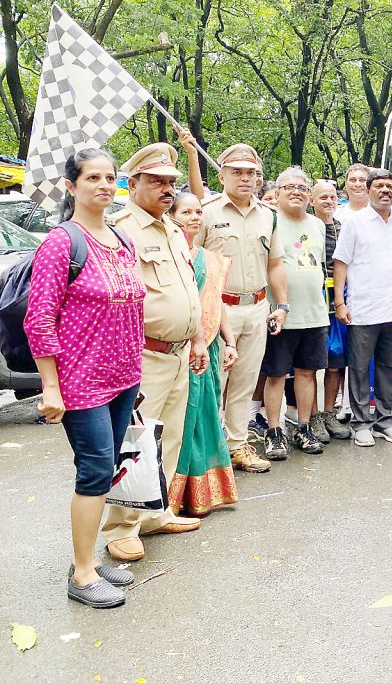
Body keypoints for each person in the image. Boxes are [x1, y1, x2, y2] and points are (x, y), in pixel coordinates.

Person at [25, 148, 145, 608]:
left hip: (123, 377)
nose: (103, 185)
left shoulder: (122, 239)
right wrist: (50, 386)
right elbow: (39, 320)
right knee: (94, 470)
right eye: (93, 177)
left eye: (110, 177)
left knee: (106, 468)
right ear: (72, 186)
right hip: (82, 382)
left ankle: (90, 559)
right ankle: (82, 574)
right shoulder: (61, 243)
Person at [102, 142, 207, 562]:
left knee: (170, 437)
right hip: (142, 355)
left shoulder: (172, 229)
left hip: (179, 353)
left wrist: (198, 338)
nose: (166, 189)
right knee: (135, 442)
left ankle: (153, 513)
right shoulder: (120, 230)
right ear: (133, 184)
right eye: (157, 181)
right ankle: (122, 527)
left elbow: (187, 290)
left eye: (170, 182)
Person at [194, 144, 287, 473]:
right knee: (214, 383)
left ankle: (237, 445)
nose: (246, 178)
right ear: (222, 176)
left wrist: (282, 304)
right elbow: (191, 262)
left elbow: (275, 263)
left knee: (245, 383)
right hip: (219, 309)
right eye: (237, 172)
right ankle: (209, 452)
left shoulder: (268, 214)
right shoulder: (206, 212)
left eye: (251, 172)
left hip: (257, 307)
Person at [166, 191, 240, 517]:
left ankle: (204, 494)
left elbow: (215, 303)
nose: (194, 217)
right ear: (171, 216)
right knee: (182, 420)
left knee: (206, 415)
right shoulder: (169, 255)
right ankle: (171, 496)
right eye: (186, 212)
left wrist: (230, 342)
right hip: (178, 348)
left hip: (207, 346)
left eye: (198, 212)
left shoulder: (209, 259)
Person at [333, 169, 392, 446]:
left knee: (388, 367)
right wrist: (340, 302)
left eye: (389, 186)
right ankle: (361, 423)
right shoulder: (355, 223)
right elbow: (341, 263)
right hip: (363, 308)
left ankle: (385, 421)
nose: (385, 190)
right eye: (379, 186)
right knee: (358, 369)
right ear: (368, 190)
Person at [257, 167, 330, 459]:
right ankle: (274, 431)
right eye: (289, 187)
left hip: (314, 312)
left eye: (302, 187)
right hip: (280, 313)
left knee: (307, 372)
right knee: (276, 374)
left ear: (309, 195)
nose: (296, 192)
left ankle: (303, 427)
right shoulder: (269, 220)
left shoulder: (318, 224)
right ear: (278, 193)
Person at [311, 179, 350, 441]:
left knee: (335, 361)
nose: (328, 201)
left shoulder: (342, 229)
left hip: (336, 299)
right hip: (310, 299)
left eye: (332, 197)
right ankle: (312, 416)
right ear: (312, 200)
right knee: (310, 363)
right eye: (322, 197)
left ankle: (329, 413)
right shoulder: (305, 226)